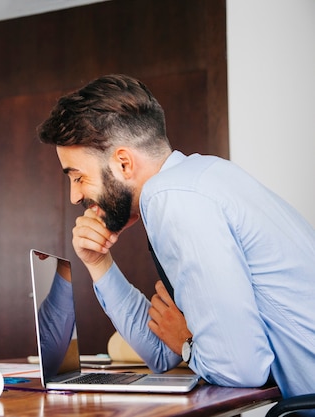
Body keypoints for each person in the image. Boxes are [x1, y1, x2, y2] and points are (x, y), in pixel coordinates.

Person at [37, 74, 315, 401]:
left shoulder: (175, 200)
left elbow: (240, 369)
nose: (74, 196)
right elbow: (162, 352)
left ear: (124, 163)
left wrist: (185, 341)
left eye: (79, 177)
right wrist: (99, 263)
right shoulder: (204, 177)